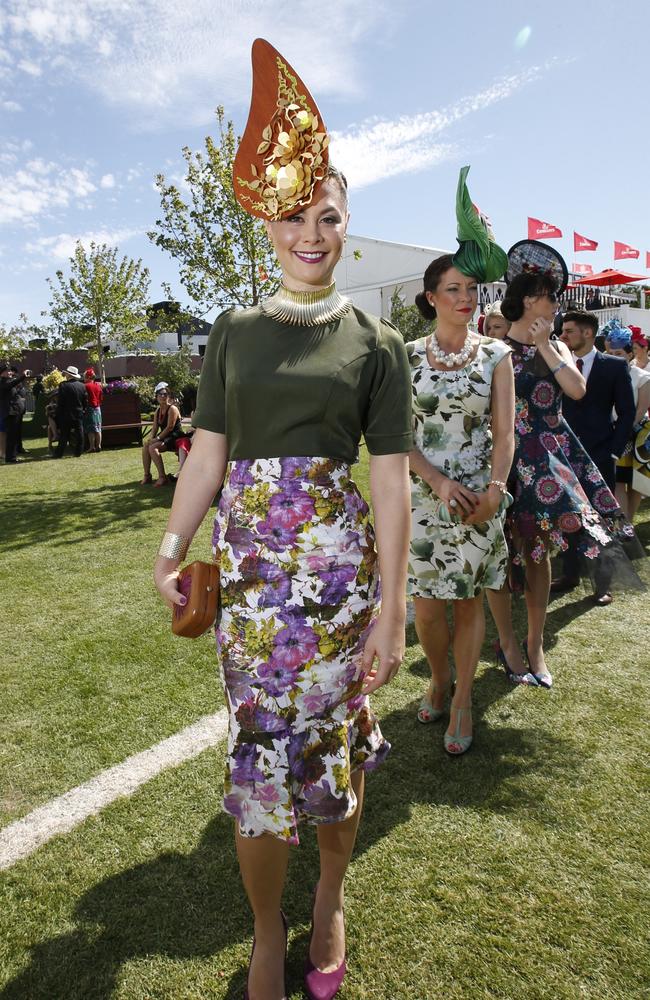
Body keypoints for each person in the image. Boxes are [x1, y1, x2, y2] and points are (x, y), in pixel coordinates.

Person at [153, 40, 412, 1000]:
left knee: (334, 753)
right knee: (260, 759)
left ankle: (331, 892)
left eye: (330, 216)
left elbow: (390, 485)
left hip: (343, 587)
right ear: (270, 219)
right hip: (255, 594)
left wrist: (390, 609)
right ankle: (269, 933)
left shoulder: (378, 344)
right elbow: (208, 456)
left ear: (346, 225)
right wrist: (172, 548)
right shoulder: (233, 332)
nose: (314, 232)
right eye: (298, 215)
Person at [407, 167, 514, 756]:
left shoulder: (497, 353)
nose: (467, 300)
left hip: (481, 500)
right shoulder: (405, 357)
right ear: (431, 297)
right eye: (454, 290)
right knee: (426, 610)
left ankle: (465, 697)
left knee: (469, 601)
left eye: (473, 290)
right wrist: (437, 480)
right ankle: (440, 678)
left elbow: (505, 434)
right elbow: (395, 435)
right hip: (426, 498)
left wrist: (495, 490)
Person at [553, 311, 635, 602]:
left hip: (600, 455)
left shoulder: (613, 366)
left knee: (601, 521)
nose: (562, 337)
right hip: (562, 455)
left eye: (568, 332)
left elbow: (627, 413)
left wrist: (613, 450)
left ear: (588, 333)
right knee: (567, 516)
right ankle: (570, 574)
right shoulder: (557, 364)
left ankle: (603, 585)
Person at [603, 321, 650, 519]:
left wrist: (626, 427)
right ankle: (624, 525)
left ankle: (628, 521)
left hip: (638, 434)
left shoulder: (642, 377)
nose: (615, 358)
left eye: (619, 353)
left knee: (637, 482)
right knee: (619, 480)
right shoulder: (606, 375)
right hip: (614, 432)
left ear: (630, 354)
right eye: (611, 354)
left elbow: (641, 408)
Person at [140, 383, 184, 486]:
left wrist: (157, 439)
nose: (163, 396)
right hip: (166, 437)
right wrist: (151, 439)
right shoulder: (158, 410)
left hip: (175, 436)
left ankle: (162, 477)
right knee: (147, 445)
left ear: (168, 396)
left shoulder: (172, 409)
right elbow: (155, 427)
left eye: (165, 394)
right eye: (160, 394)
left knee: (153, 448)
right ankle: (147, 475)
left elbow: (170, 427)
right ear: (156, 397)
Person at [0, 363, 31, 464]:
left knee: (14, 436)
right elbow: (11, 384)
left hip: (15, 412)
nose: (10, 372)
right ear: (1, 373)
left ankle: (12, 456)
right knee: (11, 436)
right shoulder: (3, 383)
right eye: (7, 371)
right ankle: (11, 458)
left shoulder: (7, 381)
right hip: (11, 413)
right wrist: (23, 376)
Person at [54, 366, 88, 458]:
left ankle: (59, 453)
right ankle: (78, 452)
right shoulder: (82, 386)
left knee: (64, 434)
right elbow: (85, 401)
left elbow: (60, 402)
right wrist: (83, 410)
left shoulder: (63, 385)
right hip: (78, 413)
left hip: (66, 413)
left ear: (68, 375)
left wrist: (58, 414)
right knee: (80, 433)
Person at [83, 368, 103, 452]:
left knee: (90, 429)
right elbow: (101, 398)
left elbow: (84, 398)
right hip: (98, 409)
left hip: (89, 408)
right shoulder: (98, 386)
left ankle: (92, 447)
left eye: (84, 377)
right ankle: (98, 445)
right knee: (98, 428)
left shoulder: (85, 386)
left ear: (87, 377)